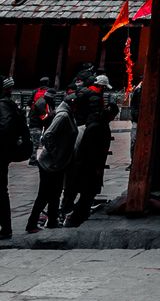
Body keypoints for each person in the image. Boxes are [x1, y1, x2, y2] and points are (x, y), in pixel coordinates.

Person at [63, 85, 116, 226]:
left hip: (84, 164)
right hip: (88, 165)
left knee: (79, 191)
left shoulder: (94, 123)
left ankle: (72, 213)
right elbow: (91, 149)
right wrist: (97, 166)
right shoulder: (97, 127)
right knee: (86, 192)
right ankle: (74, 217)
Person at [26, 92, 76, 233]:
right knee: (45, 194)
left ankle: (52, 220)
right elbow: (48, 135)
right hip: (50, 163)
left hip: (58, 163)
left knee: (55, 192)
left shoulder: (66, 113)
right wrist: (54, 154)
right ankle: (32, 223)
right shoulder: (63, 115)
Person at [1, 76, 31, 239]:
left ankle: (5, 228)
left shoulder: (3, 106)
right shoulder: (10, 105)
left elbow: (4, 128)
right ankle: (5, 227)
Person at [27, 78, 53, 165]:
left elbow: (29, 102)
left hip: (35, 118)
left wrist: (34, 108)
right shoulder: (48, 93)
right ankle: (33, 160)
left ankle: (34, 158)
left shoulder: (35, 91)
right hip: (42, 119)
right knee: (37, 141)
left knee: (35, 140)